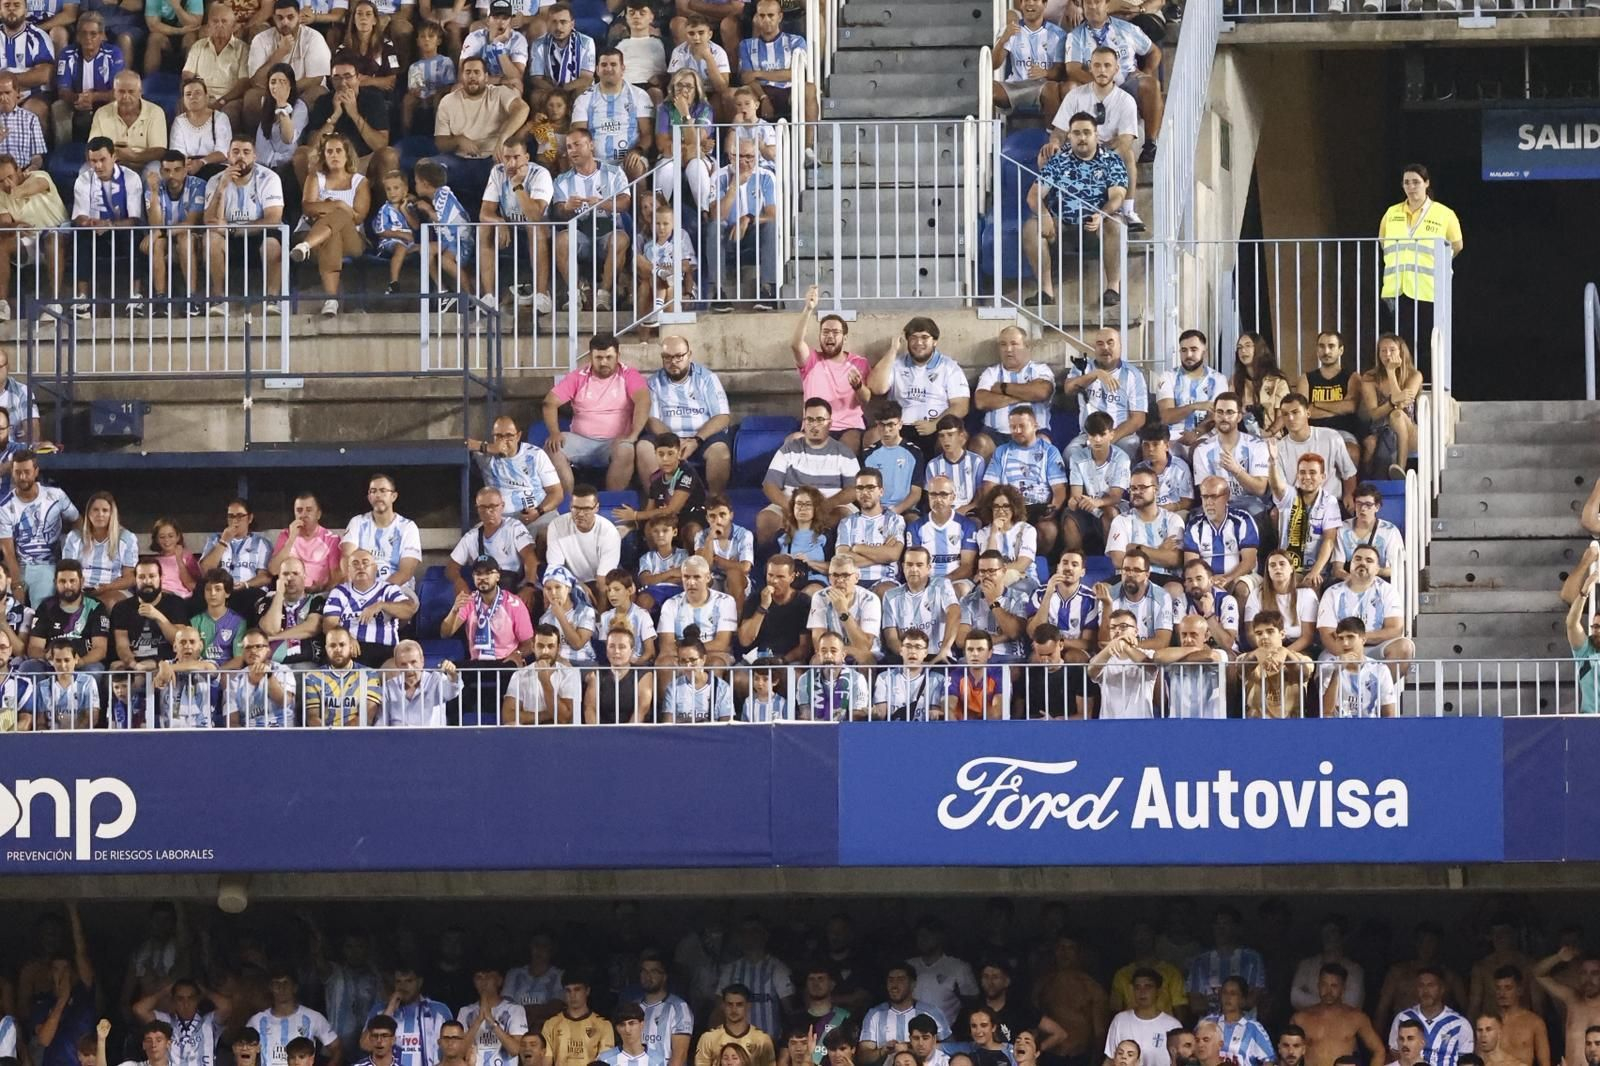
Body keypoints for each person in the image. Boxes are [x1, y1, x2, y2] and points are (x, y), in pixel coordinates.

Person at [1023, 111, 1127, 309]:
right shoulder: (1058, 161)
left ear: (1096, 135)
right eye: (1076, 133)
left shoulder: (1111, 160)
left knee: (1115, 223)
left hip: (1095, 226)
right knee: (1030, 227)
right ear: (1069, 136)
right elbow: (1033, 195)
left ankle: (1113, 288)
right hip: (1059, 226)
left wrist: (1102, 214)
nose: (1082, 138)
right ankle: (1046, 292)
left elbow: (1117, 197)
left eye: (1087, 132)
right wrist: (1044, 214)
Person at [543, 333, 651, 493]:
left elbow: (643, 401)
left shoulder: (629, 375)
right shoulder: (578, 376)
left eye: (609, 357)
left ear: (618, 356)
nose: (603, 362)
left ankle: (611, 504)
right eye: (598, 357)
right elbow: (549, 403)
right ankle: (566, 502)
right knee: (552, 447)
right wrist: (554, 432)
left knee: (626, 448)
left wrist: (634, 435)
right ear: (590, 357)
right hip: (581, 441)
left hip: (614, 442)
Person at [1379, 164, 1462, 367]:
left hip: (1429, 288)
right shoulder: (1391, 213)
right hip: (1399, 288)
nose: (1411, 187)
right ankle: (1406, 386)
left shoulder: (1444, 214)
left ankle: (1430, 385)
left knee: (1429, 340)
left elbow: (1457, 245)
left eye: (1416, 182)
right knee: (1402, 342)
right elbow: (1383, 241)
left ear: (1426, 183)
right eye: (1407, 182)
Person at [1049, 46, 1140, 231]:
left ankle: (1128, 210)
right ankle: (1051, 208)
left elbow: (1125, 140)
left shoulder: (1126, 100)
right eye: (1097, 65)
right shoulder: (1075, 95)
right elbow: (1059, 130)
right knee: (1046, 153)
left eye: (1107, 65)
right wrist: (1055, 143)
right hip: (1077, 151)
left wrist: (1099, 157)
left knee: (1128, 154)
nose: (1102, 70)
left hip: (1108, 153)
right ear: (1090, 68)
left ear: (1116, 69)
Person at [1063, 0, 1161, 164]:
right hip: (1094, 84)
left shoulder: (1127, 29)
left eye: (1097, 2)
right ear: (1083, 7)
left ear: (1107, 5)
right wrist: (1103, 85)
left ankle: (1150, 145)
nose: (1093, 6)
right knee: (1071, 88)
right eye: (1088, 3)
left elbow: (1154, 52)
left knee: (1150, 84)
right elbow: (1072, 69)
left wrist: (1147, 72)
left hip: (1127, 79)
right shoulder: (1075, 35)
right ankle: (1077, 146)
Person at [756, 398, 861, 546]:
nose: (814, 425)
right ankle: (771, 566)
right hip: (791, 504)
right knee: (765, 520)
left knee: (845, 517)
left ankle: (831, 565)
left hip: (830, 506)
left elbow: (854, 489)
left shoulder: (844, 452)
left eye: (820, 420)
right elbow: (769, 485)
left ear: (830, 423)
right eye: (810, 420)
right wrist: (789, 507)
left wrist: (828, 505)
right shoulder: (789, 449)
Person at [551, 126, 633, 311]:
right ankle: (575, 293)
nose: (572, 150)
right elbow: (558, 211)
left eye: (577, 145)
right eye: (569, 147)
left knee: (621, 239)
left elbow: (625, 203)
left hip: (609, 232)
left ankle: (603, 295)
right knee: (562, 239)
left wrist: (602, 203)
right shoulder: (562, 180)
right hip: (581, 234)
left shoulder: (614, 173)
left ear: (591, 145)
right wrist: (566, 208)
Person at [290, 130, 370, 317]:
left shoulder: (360, 182)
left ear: (347, 154)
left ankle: (305, 246)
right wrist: (340, 207)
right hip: (314, 233)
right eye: (329, 151)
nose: (334, 155)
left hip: (351, 239)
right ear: (323, 156)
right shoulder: (315, 178)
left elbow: (358, 218)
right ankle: (331, 301)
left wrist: (334, 206)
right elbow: (308, 208)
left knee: (340, 216)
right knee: (333, 234)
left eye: (338, 151)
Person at [202, 135, 287, 311]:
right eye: (236, 152)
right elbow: (209, 220)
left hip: (258, 234)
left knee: (273, 243)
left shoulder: (269, 178)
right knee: (211, 239)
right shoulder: (216, 180)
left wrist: (234, 230)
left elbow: (273, 219)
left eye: (246, 152)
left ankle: (272, 298)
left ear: (254, 156)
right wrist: (221, 189)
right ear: (228, 155)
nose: (240, 157)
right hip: (228, 238)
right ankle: (219, 299)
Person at [638, 336, 732, 492]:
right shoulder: (653, 382)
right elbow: (651, 420)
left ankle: (714, 503)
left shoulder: (707, 378)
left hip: (703, 437)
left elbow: (722, 417)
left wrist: (697, 439)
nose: (673, 361)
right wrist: (674, 442)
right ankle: (658, 503)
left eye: (678, 356)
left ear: (689, 355)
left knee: (720, 451)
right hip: (667, 437)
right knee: (643, 447)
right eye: (667, 357)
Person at [865, 317, 971, 452]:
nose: (918, 342)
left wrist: (935, 424)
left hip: (936, 427)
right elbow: (876, 388)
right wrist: (893, 350)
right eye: (913, 337)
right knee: (872, 436)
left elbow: (961, 406)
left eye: (925, 337)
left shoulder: (949, 367)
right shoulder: (896, 363)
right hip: (899, 427)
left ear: (935, 341)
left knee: (955, 438)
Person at [475, 135, 554, 313]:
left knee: (534, 227)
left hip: (539, 230)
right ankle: (489, 296)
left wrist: (518, 185)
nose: (511, 164)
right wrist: (500, 221)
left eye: (516, 157)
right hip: (510, 230)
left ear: (527, 157)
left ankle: (542, 294)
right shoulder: (497, 172)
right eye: (507, 158)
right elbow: (484, 213)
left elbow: (535, 215)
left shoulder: (540, 174)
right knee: (484, 228)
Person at [432, 54, 529, 194]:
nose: (472, 76)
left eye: (477, 72)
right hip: (458, 159)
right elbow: (440, 143)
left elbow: (522, 109)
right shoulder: (448, 101)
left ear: (486, 77)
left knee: (509, 169)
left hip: (492, 158)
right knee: (427, 167)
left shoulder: (499, 93)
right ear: (461, 77)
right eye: (468, 72)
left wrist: (502, 139)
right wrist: (458, 140)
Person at [791, 286, 871, 452]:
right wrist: (808, 309)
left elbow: (866, 399)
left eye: (835, 332)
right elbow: (796, 344)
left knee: (848, 445)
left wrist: (858, 387)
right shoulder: (811, 361)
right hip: (814, 426)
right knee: (792, 441)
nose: (830, 336)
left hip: (849, 427)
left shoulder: (858, 362)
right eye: (825, 332)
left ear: (845, 337)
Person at [1316, 544, 1411, 679]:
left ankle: (1378, 695)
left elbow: (1395, 629)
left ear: (1377, 569)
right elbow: (1326, 635)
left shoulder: (1387, 591)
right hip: (1340, 649)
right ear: (1350, 565)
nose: (1362, 563)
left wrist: (1358, 639)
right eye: (1357, 559)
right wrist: (1349, 653)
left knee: (1404, 647)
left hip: (1374, 648)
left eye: (1369, 560)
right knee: (1326, 666)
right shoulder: (1332, 593)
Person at [467, 415, 565, 537]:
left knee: (548, 534)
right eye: (498, 436)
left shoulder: (535, 455)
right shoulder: (485, 455)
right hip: (502, 520)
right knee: (474, 537)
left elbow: (557, 493)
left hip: (537, 514)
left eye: (509, 436)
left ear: (518, 436)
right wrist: (487, 447)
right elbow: (459, 443)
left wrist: (538, 511)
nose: (503, 441)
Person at [0, 153, 67, 324]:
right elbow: (5, 224)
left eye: (9, 176)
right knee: (2, 244)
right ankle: (2, 304)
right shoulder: (1, 195)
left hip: (60, 234)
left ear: (19, 170)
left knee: (52, 238)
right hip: (30, 240)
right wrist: (15, 227)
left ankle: (55, 303)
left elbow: (31, 187)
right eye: (1, 181)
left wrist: (15, 190)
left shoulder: (41, 176)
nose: (6, 184)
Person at [1062, 328, 1147, 461]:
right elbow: (1068, 389)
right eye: (1100, 344)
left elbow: (1138, 419)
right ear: (1095, 348)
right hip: (1088, 435)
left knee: (1131, 446)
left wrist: (1108, 438)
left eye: (1110, 343)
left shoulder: (1133, 375)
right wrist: (1095, 374)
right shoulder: (1082, 367)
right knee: (1070, 454)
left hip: (1119, 435)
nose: (1105, 347)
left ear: (1120, 346)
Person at [321, 548, 414, 668]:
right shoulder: (339, 592)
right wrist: (347, 638)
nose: (361, 567)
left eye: (365, 563)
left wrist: (382, 605)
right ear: (348, 570)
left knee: (395, 670)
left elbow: (409, 610)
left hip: (385, 650)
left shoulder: (388, 589)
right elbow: (328, 625)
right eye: (355, 564)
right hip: (351, 651)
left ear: (375, 568)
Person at [1268, 446, 1342, 591]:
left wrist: (1315, 571)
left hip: (1316, 568)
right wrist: (1272, 463)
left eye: (1312, 472)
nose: (1306, 477)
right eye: (1302, 472)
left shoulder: (1329, 501)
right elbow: (1276, 487)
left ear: (1323, 477)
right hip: (1287, 567)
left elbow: (1329, 540)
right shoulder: (1290, 495)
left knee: (1313, 583)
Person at [1190, 392, 1270, 525]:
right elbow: (1205, 492)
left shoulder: (1257, 445)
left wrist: (1237, 470)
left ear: (1239, 417)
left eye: (1230, 412)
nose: (1224, 417)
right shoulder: (1202, 450)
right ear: (1214, 415)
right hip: (1216, 504)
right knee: (1196, 517)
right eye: (1220, 412)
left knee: (1255, 511)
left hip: (1250, 504)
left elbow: (1260, 489)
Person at [1273, 393, 1357, 515]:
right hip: (1296, 505)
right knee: (1275, 514)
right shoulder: (1279, 448)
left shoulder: (1331, 437)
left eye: (1295, 412)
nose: (1290, 418)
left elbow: (1348, 473)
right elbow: (1281, 488)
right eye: (1285, 414)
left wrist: (1349, 494)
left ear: (1307, 413)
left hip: (1330, 503)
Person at [341, 473, 423, 592]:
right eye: (373, 491)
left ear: (393, 496)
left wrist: (376, 593)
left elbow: (406, 572)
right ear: (369, 497)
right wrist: (356, 590)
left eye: (383, 490)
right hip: (360, 589)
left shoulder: (408, 527)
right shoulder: (357, 522)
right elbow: (346, 558)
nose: (378, 495)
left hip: (397, 589)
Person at [51, 14, 123, 147]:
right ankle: (63, 151)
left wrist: (94, 97)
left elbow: (118, 91)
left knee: (117, 104)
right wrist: (78, 98)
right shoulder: (67, 54)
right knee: (58, 107)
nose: (88, 38)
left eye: (93, 34)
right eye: (83, 33)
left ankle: (107, 151)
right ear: (78, 36)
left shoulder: (114, 54)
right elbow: (63, 90)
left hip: (104, 102)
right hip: (75, 101)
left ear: (102, 36)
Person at [544, 485, 622, 605]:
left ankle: (600, 621)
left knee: (605, 586)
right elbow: (555, 568)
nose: (580, 514)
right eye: (576, 508)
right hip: (568, 579)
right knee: (552, 581)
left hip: (597, 579)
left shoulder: (609, 532)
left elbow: (602, 581)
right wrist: (577, 584)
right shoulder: (556, 526)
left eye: (586, 509)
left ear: (596, 508)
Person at [882, 546, 960, 664]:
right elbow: (891, 638)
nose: (914, 569)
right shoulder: (890, 596)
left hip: (938, 655)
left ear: (928, 568)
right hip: (906, 657)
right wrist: (911, 657)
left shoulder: (942, 585)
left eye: (919, 565)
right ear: (903, 567)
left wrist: (944, 650)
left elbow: (955, 613)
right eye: (909, 564)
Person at [858, 968, 950, 1066]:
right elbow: (863, 1058)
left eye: (901, 980)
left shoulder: (932, 1012)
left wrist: (910, 1047)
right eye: (891, 980)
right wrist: (883, 1051)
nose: (894, 985)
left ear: (913, 984)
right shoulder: (874, 1014)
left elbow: (950, 1048)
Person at [991, 0, 1066, 118]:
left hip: (1042, 87)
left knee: (1052, 89)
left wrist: (1046, 72)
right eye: (1026, 0)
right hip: (1015, 86)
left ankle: (1052, 134)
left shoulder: (1058, 34)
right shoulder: (1010, 30)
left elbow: (1060, 71)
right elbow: (994, 64)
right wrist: (1003, 40)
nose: (1030, 3)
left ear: (1045, 4)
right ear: (1021, 4)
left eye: (1036, 0)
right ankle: (993, 132)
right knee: (989, 90)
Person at [61, 492, 137, 607]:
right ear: (88, 513)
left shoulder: (126, 538)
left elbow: (130, 577)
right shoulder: (75, 537)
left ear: (112, 514)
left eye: (105, 510)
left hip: (113, 589)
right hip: (79, 589)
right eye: (95, 510)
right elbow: (66, 571)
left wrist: (107, 587)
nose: (100, 514)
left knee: (107, 602)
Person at [182, 5, 248, 127]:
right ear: (208, 26)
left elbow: (243, 82)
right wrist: (201, 96)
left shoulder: (242, 49)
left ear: (233, 27)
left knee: (230, 113)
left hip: (229, 99)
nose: (219, 25)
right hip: (201, 95)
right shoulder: (198, 46)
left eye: (224, 21)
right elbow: (187, 75)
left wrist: (222, 101)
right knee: (182, 104)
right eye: (215, 21)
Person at [1533, 951, 1600, 1066]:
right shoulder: (1572, 999)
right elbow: (1538, 974)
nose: (1588, 979)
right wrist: (1558, 957)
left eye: (1594, 973)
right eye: (1584, 973)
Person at [1104, 969, 1180, 1066]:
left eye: (1148, 987)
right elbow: (1110, 1059)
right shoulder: (1120, 1020)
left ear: (1158, 991)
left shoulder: (1172, 1025)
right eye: (1137, 987)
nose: (1142, 992)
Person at [269, 492, 343, 592]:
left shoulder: (331, 539)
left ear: (318, 514)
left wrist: (321, 591)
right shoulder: (285, 535)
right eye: (299, 510)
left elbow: (336, 578)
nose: (303, 515)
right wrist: (291, 539)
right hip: (289, 593)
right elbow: (274, 570)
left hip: (318, 594)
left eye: (309, 510)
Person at [543, 976, 615, 1066]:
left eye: (577, 990)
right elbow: (547, 1059)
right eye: (568, 991)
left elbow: (604, 1062)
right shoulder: (551, 1024)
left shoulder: (604, 1025)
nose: (572, 995)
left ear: (587, 991)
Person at [1483, 969, 1548, 1066]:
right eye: (1498, 988)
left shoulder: (1534, 1022)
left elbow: (1545, 1063)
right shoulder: (1485, 1022)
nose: (1502, 993)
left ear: (1519, 990)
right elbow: (1478, 1058)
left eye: (1508, 988)